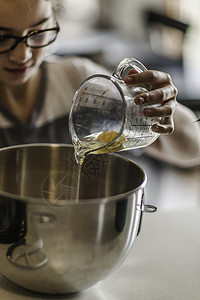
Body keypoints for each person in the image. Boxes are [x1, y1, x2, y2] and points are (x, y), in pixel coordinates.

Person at [0, 0, 199, 168]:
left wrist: (163, 110)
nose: (22, 55)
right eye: (2, 38)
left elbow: (193, 150)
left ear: (54, 19)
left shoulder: (77, 81)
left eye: (37, 33)